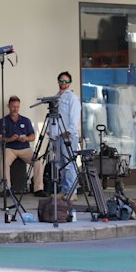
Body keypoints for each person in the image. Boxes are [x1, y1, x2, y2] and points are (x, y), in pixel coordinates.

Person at [0, 96, 48, 198]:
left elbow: (33, 136)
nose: (15, 109)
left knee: (38, 162)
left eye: (17, 107)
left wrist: (26, 138)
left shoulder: (25, 120)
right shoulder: (3, 121)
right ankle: (7, 188)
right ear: (8, 106)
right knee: (4, 162)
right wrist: (10, 139)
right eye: (13, 107)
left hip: (25, 149)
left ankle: (38, 189)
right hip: (10, 148)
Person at [52, 71, 82, 201]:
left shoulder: (72, 97)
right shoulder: (56, 97)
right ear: (58, 81)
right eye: (61, 80)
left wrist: (69, 132)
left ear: (69, 83)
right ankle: (64, 190)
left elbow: (75, 116)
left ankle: (72, 192)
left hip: (68, 136)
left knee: (69, 163)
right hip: (57, 135)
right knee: (60, 164)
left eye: (66, 81)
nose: (63, 83)